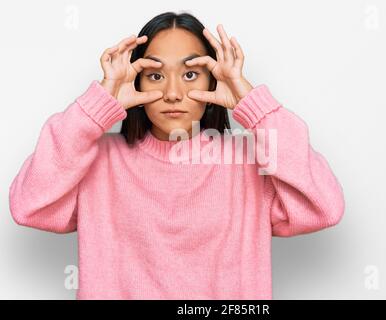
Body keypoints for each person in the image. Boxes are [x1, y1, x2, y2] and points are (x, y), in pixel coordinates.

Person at [8, 11, 345, 299]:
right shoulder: (96, 160)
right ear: (136, 83)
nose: (172, 93)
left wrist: (250, 101)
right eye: (155, 76)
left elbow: (324, 208)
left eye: (189, 74)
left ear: (213, 81)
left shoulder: (248, 161)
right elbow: (28, 206)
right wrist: (97, 104)